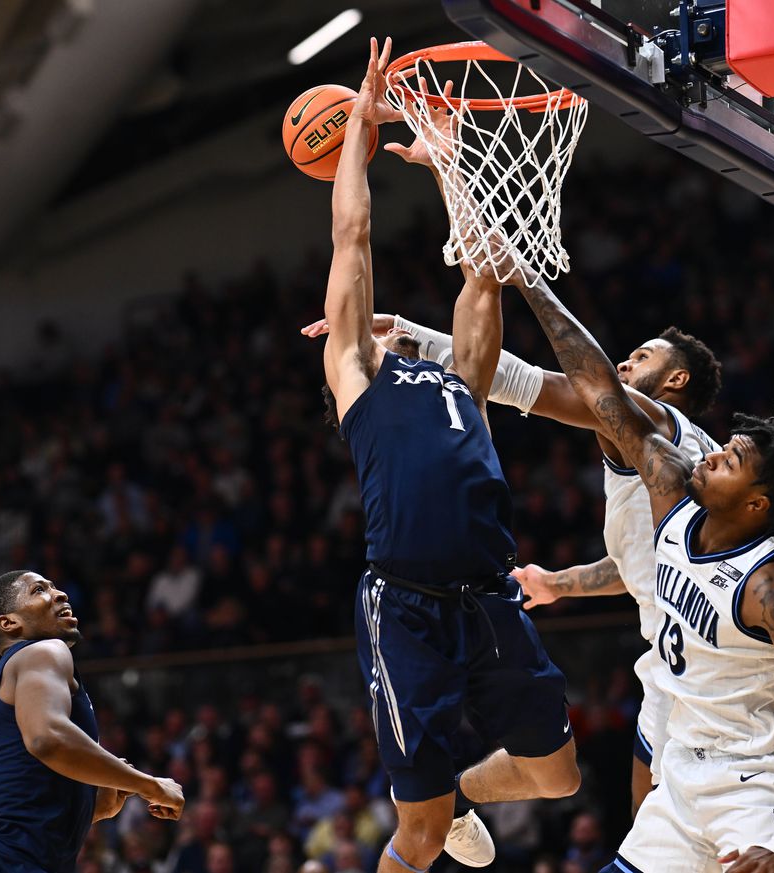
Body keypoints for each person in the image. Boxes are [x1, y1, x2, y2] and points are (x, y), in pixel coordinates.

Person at [307, 37, 580, 873]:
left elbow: (482, 275)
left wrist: (449, 161)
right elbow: (351, 235)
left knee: (557, 775)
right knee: (418, 838)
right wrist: (358, 121)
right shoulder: (358, 381)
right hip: (410, 608)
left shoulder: (465, 382)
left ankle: (459, 792)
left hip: (490, 599)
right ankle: (434, 813)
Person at [508, 272, 774, 872]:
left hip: (754, 782)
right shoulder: (671, 491)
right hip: (683, 772)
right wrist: (526, 282)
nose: (717, 453)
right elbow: (601, 394)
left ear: (755, 504)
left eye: (734, 461)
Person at [320, 311, 722, 815]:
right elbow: (644, 566)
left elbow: (519, 380)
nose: (622, 362)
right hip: (678, 660)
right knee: (652, 835)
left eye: (642, 357)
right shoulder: (700, 453)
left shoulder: (645, 420)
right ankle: (459, 800)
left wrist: (410, 336)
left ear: (676, 379)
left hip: (704, 672)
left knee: (671, 838)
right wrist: (559, 584)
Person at [0, 571, 184, 873]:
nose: (60, 594)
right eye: (39, 590)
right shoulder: (43, 651)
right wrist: (151, 785)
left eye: (55, 587)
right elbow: (47, 739)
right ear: (9, 622)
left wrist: (92, 807)